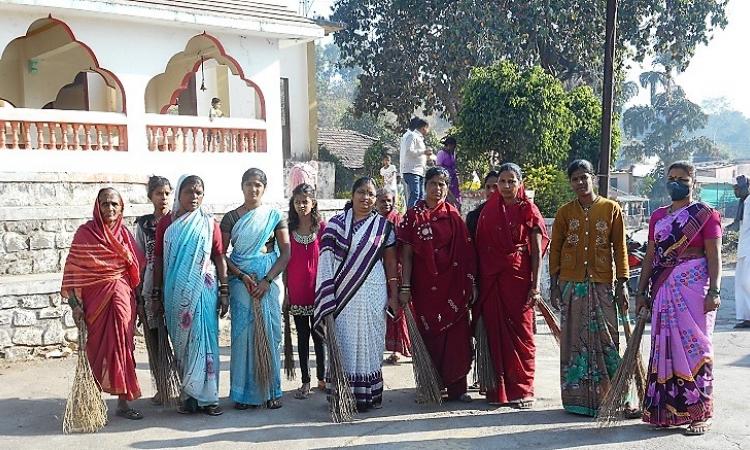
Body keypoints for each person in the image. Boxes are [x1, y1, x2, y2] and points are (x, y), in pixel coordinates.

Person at [635, 161, 722, 436]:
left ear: (693, 182)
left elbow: (714, 255)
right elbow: (650, 255)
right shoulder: (658, 217)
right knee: (666, 348)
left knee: (697, 346)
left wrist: (715, 291)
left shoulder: (706, 215)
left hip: (694, 289)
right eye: (671, 178)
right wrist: (641, 290)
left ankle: (701, 412)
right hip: (663, 287)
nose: (676, 182)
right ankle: (667, 411)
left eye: (682, 178)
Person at [549, 159, 630, 417]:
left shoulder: (611, 209)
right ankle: (577, 400)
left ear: (593, 178)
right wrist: (554, 283)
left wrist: (623, 283)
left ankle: (615, 397)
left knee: (607, 340)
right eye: (575, 179)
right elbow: (556, 250)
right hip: (572, 285)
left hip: (602, 283)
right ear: (570, 182)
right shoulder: (564, 213)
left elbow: (620, 247)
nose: (580, 182)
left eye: (584, 177)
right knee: (574, 341)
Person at [314, 177, 399, 412]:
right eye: (361, 192)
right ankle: (342, 393)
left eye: (371, 194)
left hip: (374, 291)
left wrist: (394, 293)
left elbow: (391, 262)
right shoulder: (335, 224)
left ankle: (368, 395)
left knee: (371, 343)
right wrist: (326, 294)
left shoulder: (383, 227)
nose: (366, 197)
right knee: (343, 341)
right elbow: (325, 262)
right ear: (352, 195)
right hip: (341, 295)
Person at [62, 187, 145, 420]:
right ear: (97, 207)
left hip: (123, 300)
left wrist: (142, 301)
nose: (109, 208)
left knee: (123, 348)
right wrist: (74, 305)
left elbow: (136, 270)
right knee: (94, 350)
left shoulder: (125, 235)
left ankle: (124, 402)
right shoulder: (84, 234)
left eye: (114, 204)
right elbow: (72, 273)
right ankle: (92, 399)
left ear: (121, 208)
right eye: (105, 204)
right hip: (94, 303)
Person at [152, 175, 229, 416]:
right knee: (183, 344)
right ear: (179, 195)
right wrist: (155, 294)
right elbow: (158, 259)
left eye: (198, 192)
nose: (194, 197)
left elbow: (219, 256)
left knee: (206, 340)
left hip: (204, 291)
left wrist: (224, 290)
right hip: (175, 293)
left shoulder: (208, 223)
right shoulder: (167, 224)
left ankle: (210, 398)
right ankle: (189, 396)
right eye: (189, 192)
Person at [399, 167, 476, 402]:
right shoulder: (413, 216)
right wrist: (404, 287)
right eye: (433, 183)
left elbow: (466, 254)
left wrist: (471, 285)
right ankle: (430, 385)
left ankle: (457, 388)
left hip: (453, 288)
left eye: (442, 184)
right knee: (428, 335)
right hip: (424, 289)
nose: (437, 189)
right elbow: (407, 255)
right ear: (425, 185)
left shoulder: (454, 216)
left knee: (456, 337)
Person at [474, 163, 547, 408]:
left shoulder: (529, 210)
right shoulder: (487, 211)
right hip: (492, 279)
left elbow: (536, 252)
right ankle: (499, 392)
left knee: (522, 335)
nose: (505, 186)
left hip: (519, 279)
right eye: (502, 182)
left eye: (510, 181)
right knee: (495, 334)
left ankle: (523, 390)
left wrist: (535, 287)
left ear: (519, 183)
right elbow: (481, 248)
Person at [221, 168, 290, 410]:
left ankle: (272, 390)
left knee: (270, 335)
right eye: (249, 184)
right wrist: (241, 275)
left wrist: (267, 280)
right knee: (243, 337)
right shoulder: (230, 218)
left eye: (258, 185)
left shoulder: (273, 216)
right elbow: (220, 254)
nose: (253, 189)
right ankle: (243, 394)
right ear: (242, 186)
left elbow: (285, 252)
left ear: (264, 188)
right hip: (241, 283)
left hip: (267, 281)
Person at [284, 183, 326, 399]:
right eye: (298, 202)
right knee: (302, 337)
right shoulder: (288, 230)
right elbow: (283, 262)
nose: (302, 205)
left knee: (319, 336)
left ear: (313, 203)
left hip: (318, 292)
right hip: (297, 292)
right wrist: (286, 293)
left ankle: (322, 377)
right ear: (293, 204)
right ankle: (305, 381)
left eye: (305, 201)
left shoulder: (323, 228)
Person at [134, 175, 172, 405]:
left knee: (179, 338)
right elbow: (138, 259)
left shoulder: (180, 219)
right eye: (159, 193)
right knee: (156, 338)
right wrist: (139, 294)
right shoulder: (143, 225)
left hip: (177, 282)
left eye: (167, 193)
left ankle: (185, 385)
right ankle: (163, 386)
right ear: (150, 197)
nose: (164, 198)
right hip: (150, 284)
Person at [376, 187, 412, 364]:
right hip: (378, 273)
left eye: (389, 200)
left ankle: (399, 349)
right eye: (382, 200)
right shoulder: (373, 221)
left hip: (396, 271)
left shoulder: (398, 221)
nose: (386, 203)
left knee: (398, 311)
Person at [400, 117, 433, 208]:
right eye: (428, 128)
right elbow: (409, 151)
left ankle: (418, 215)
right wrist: (423, 152)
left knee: (421, 196)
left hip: (420, 171)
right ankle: (411, 217)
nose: (428, 131)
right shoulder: (412, 136)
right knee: (415, 194)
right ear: (424, 128)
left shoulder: (420, 139)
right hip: (412, 171)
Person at [733, 175, 750, 329]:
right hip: (744, 249)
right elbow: (738, 225)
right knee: (741, 283)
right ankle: (746, 317)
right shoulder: (743, 203)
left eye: (738, 188)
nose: (735, 191)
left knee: (746, 282)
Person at [465, 170, 500, 240]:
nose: (491, 191)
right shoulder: (473, 217)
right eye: (488, 187)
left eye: (495, 187)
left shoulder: (509, 214)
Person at [436, 136, 462, 211]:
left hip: (453, 178)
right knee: (447, 194)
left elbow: (454, 164)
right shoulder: (441, 153)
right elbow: (438, 167)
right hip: (445, 177)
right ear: (448, 145)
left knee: (455, 195)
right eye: (452, 146)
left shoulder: (453, 153)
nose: (453, 148)